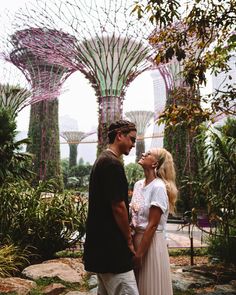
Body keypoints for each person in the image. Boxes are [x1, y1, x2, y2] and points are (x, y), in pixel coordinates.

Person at [83, 119, 139, 295]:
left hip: (101, 246)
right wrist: (129, 240)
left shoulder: (102, 160)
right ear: (119, 136)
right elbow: (118, 206)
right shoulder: (112, 165)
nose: (133, 144)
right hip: (112, 249)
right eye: (131, 139)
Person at [130, 148, 178, 295]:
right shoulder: (138, 184)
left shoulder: (158, 187)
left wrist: (140, 254)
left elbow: (152, 225)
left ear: (155, 163)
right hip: (136, 240)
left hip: (150, 244)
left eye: (149, 154)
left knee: (149, 287)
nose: (143, 154)